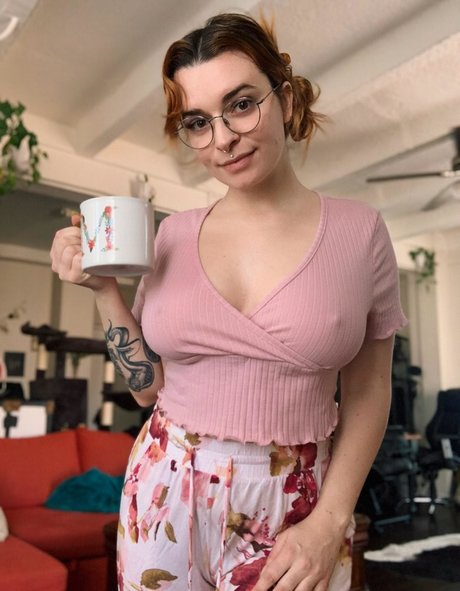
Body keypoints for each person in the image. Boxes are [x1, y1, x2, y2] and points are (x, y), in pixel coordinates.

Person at [50, 12, 407, 591]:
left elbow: (369, 389)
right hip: (164, 486)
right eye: (198, 121)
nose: (222, 139)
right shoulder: (171, 236)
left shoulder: (359, 232)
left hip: (296, 504)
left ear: (285, 100)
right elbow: (147, 389)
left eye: (241, 104)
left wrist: (330, 521)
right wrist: (103, 289)